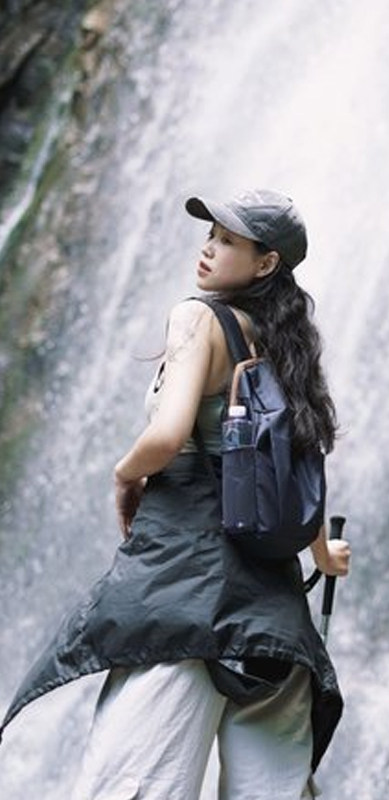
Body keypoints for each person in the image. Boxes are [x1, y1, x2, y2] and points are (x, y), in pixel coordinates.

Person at [0, 189, 351, 799]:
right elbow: (294, 467)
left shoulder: (197, 319)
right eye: (210, 235)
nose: (208, 248)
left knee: (131, 787)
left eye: (227, 241)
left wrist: (124, 473)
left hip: (186, 600)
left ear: (266, 263)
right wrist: (322, 556)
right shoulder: (287, 348)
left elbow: (166, 435)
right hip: (274, 620)